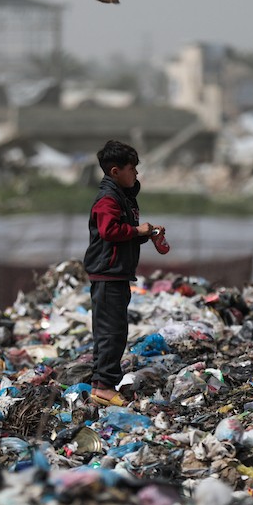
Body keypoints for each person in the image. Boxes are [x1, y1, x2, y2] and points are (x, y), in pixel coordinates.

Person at [83, 140, 165, 406]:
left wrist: (145, 234)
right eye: (132, 169)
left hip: (115, 273)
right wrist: (137, 230)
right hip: (108, 274)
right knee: (112, 333)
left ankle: (100, 385)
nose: (136, 173)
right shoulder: (108, 199)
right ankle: (105, 387)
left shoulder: (122, 197)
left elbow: (122, 234)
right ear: (115, 171)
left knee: (110, 332)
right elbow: (109, 231)